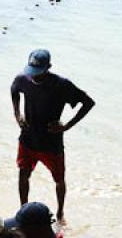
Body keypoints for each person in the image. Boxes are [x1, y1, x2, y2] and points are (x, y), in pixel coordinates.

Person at [11, 49, 95, 224]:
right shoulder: (23, 79)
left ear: (48, 68)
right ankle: (23, 211)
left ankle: (60, 213)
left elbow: (88, 103)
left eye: (38, 73)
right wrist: (17, 115)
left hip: (51, 143)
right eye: (31, 71)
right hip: (28, 139)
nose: (34, 76)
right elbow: (14, 89)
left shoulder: (61, 85)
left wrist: (66, 126)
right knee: (23, 175)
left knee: (59, 180)